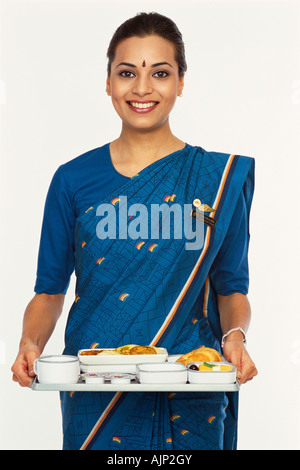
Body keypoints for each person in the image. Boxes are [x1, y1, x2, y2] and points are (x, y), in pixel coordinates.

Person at [11, 12, 258, 450]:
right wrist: (30, 342)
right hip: (95, 387)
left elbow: (231, 288)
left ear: (181, 82)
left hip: (192, 387)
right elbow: (50, 290)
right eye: (127, 73)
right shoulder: (73, 180)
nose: (142, 88)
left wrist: (234, 339)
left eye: (160, 73)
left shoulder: (216, 181)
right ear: (108, 82)